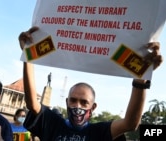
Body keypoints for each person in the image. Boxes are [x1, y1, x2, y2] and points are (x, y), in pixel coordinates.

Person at [18, 27, 163, 141]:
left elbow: (130, 123)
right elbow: (32, 104)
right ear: (67, 102)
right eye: (73, 100)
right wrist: (28, 57)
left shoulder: (99, 132)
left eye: (84, 102)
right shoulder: (53, 124)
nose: (78, 106)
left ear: (93, 107)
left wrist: (141, 80)